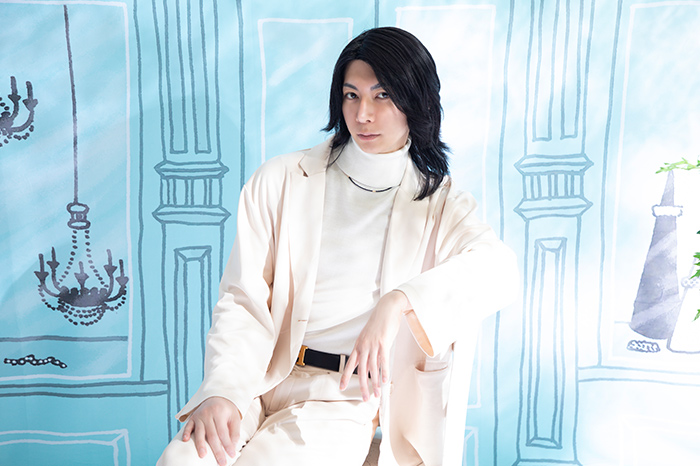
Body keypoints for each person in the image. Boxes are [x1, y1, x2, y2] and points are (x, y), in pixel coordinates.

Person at [157, 26, 518, 466]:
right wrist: (222, 391)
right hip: (257, 378)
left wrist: (397, 302)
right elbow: (242, 301)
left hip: (343, 398)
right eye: (352, 95)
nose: (363, 114)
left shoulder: (439, 203)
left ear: (416, 102)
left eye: (382, 96)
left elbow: (500, 269)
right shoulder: (280, 180)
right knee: (180, 461)